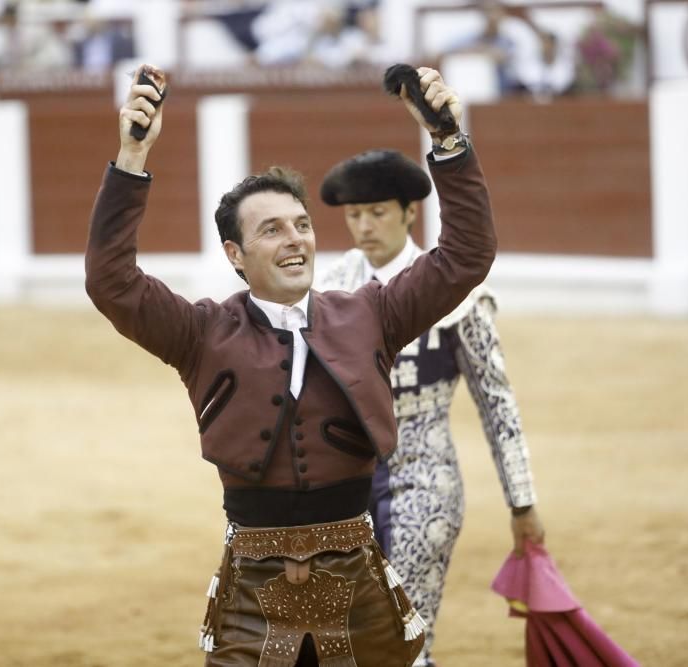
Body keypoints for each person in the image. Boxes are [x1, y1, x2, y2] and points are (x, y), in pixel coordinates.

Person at [85, 63, 497, 665]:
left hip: (357, 575)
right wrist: (131, 158)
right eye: (272, 230)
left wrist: (450, 145)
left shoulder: (373, 312)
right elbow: (111, 282)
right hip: (252, 585)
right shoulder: (201, 332)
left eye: (302, 225)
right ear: (235, 253)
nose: (296, 239)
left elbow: (466, 254)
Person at [317, 148, 545, 667]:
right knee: (343, 641)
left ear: (408, 212)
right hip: (342, 484)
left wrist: (523, 502)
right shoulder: (327, 288)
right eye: (354, 214)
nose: (364, 225)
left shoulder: (453, 289)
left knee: (402, 636)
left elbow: (497, 402)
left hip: (425, 475)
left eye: (377, 212)